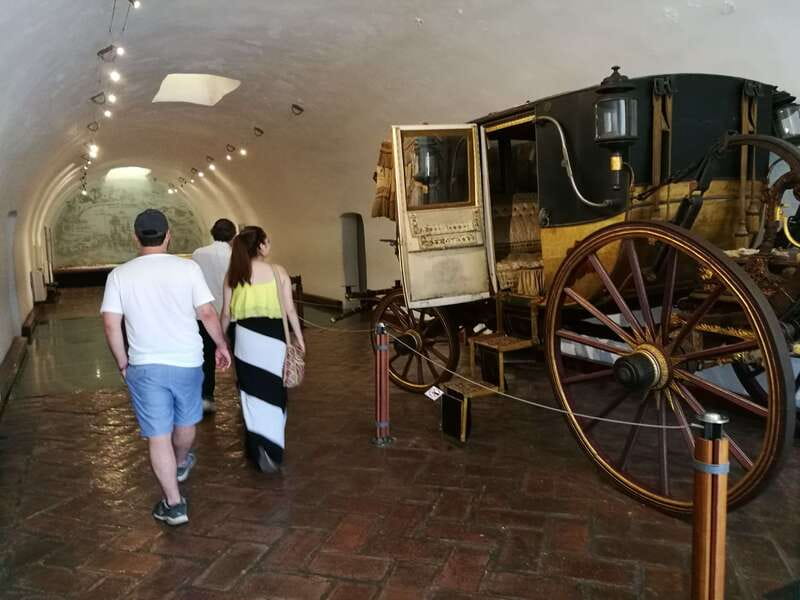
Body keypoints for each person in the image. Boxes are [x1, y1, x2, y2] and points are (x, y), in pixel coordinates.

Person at [101, 209, 231, 526]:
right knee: (186, 420)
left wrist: (122, 360)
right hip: (187, 360)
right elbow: (207, 313)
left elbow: (110, 323)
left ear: (135, 237)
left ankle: (174, 504)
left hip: (145, 365)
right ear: (168, 235)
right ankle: (182, 460)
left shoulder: (120, 275)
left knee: (158, 435)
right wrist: (221, 345)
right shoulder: (187, 269)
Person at [221, 226, 305, 473]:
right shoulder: (277, 271)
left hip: (244, 337)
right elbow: (289, 310)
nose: (270, 245)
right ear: (259, 245)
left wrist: (220, 341)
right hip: (273, 337)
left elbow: (226, 313)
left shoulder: (234, 274)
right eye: (267, 241)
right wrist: (299, 339)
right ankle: (272, 448)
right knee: (274, 391)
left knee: (250, 392)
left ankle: (256, 444)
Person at [191, 218, 236, 414]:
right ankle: (244, 393)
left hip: (204, 313)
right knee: (239, 354)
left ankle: (206, 396)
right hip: (233, 312)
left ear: (212, 232)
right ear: (233, 235)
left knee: (206, 357)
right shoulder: (236, 255)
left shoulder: (198, 254)